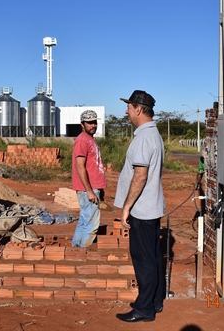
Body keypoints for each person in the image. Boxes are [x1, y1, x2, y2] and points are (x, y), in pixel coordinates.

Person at [113, 90, 165, 323]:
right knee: (152, 257)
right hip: (150, 208)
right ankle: (154, 301)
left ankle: (144, 309)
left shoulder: (144, 137)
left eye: (129, 106)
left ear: (139, 109)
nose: (126, 111)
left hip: (142, 210)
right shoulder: (152, 134)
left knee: (143, 260)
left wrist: (126, 207)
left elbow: (140, 176)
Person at [71, 109, 107, 247]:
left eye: (95, 122)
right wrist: (89, 190)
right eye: (89, 123)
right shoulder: (82, 140)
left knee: (85, 220)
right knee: (91, 223)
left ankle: (76, 249)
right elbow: (80, 166)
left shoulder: (89, 139)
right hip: (88, 189)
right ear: (82, 124)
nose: (93, 125)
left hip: (92, 188)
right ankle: (84, 251)